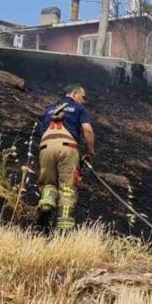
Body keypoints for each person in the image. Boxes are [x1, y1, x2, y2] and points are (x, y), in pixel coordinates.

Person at [37, 84, 95, 232]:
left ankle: (46, 206)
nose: (83, 101)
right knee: (67, 188)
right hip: (67, 147)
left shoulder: (49, 110)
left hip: (45, 147)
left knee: (48, 183)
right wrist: (90, 152)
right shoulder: (79, 109)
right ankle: (63, 229)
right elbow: (87, 130)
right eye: (83, 97)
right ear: (74, 94)